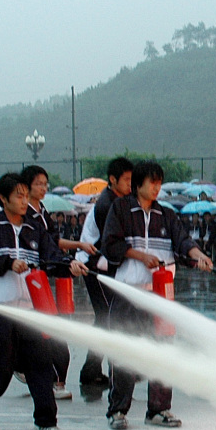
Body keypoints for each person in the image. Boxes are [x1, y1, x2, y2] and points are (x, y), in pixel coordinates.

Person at [0, 173, 87, 430]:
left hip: (31, 311)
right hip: (1, 309)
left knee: (40, 365)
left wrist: (68, 265)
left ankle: (45, 421)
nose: (24, 201)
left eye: (26, 196)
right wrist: (8, 264)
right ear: (3, 198)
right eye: (19, 196)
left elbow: (50, 256)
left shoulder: (35, 228)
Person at [101, 160, 213, 430]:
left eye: (159, 182)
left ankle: (159, 409)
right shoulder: (121, 209)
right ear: (138, 184)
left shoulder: (166, 215)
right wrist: (141, 256)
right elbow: (110, 244)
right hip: (130, 292)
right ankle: (118, 410)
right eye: (152, 182)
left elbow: (182, 241)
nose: (156, 187)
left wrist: (198, 255)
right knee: (126, 350)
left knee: (163, 351)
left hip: (160, 295)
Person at [20, 165, 96, 400]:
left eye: (45, 184)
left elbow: (52, 243)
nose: (43, 188)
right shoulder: (23, 216)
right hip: (29, 283)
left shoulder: (42, 212)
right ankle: (44, 378)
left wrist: (78, 247)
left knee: (53, 334)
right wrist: (65, 262)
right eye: (38, 184)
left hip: (46, 279)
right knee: (45, 336)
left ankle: (52, 380)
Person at [75, 156, 132, 386]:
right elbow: (113, 242)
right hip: (93, 265)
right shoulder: (107, 205)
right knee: (108, 317)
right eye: (126, 180)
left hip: (103, 265)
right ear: (113, 180)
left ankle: (92, 370)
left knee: (106, 318)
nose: (130, 184)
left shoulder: (118, 200)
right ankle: (112, 370)